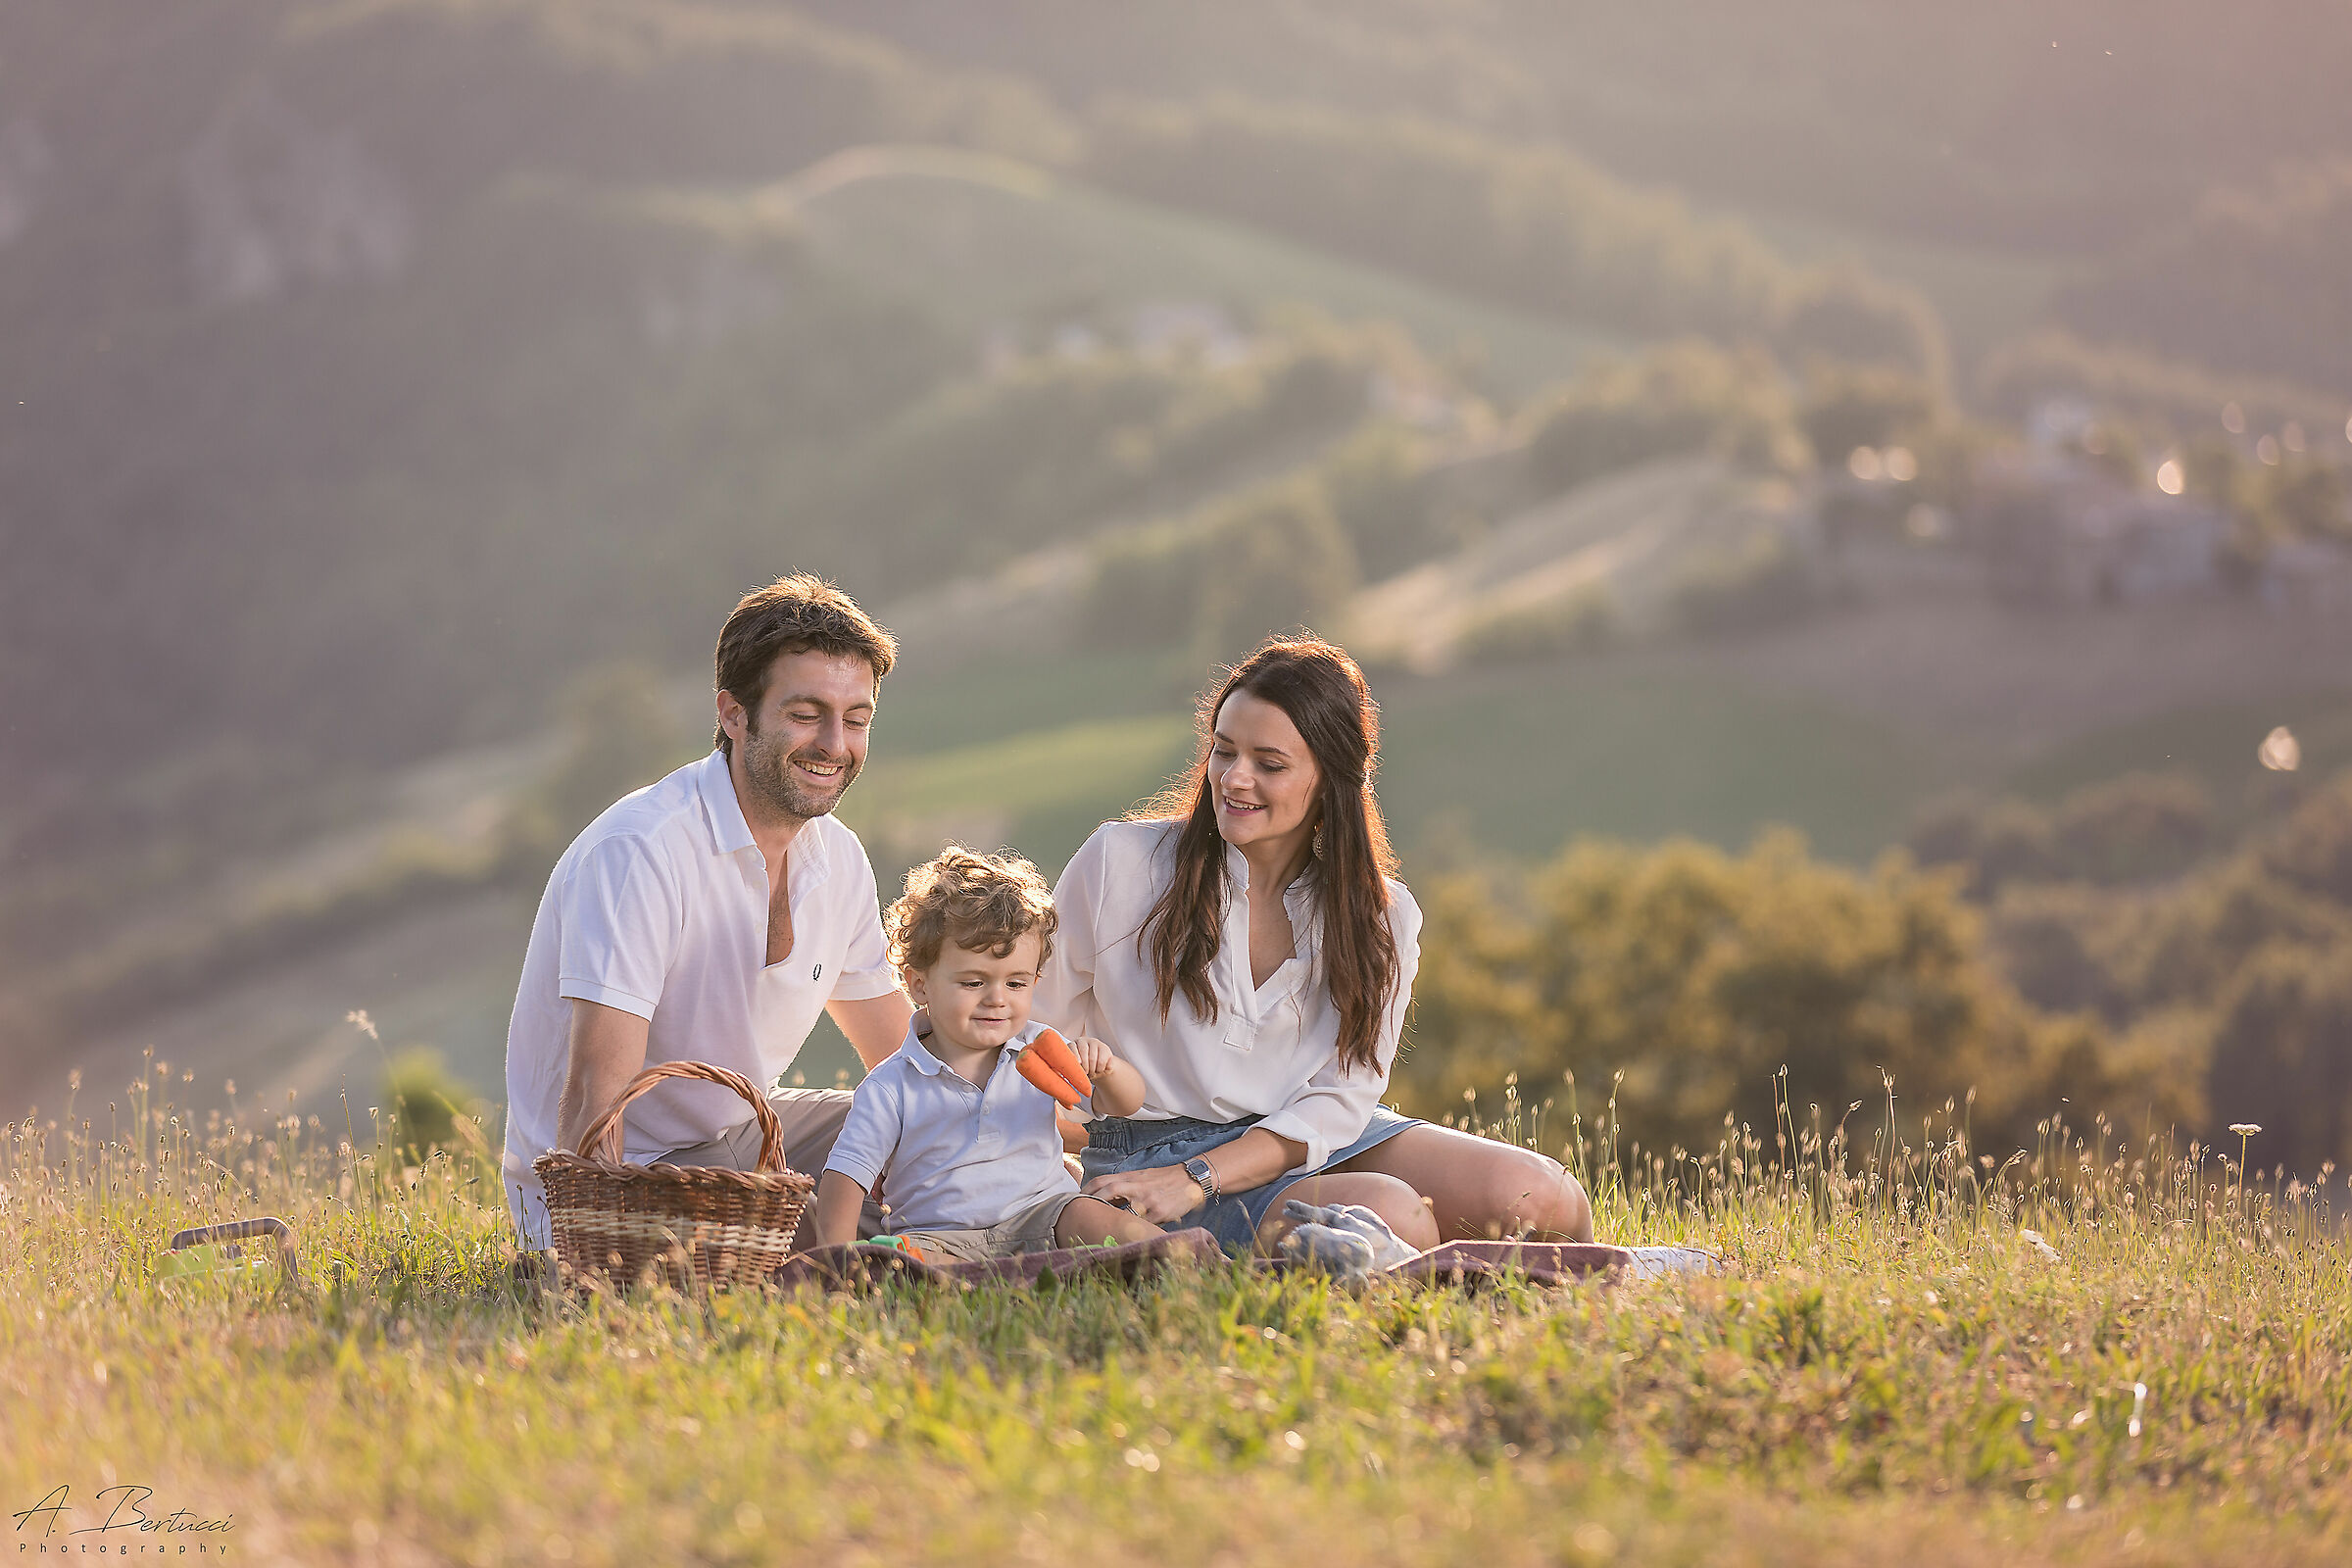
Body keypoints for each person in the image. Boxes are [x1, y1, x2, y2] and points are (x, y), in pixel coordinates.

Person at [1041, 636, 1593, 1253]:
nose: (1235, 778)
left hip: (1300, 1135)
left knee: (1541, 1197)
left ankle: (1575, 1293)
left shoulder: (1382, 915)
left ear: (1331, 777)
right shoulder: (1119, 863)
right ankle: (1404, 1282)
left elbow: (1343, 1092)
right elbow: (1024, 1031)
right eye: (1224, 752)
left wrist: (1203, 1177)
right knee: (1397, 1215)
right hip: (1149, 1150)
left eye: (1269, 764)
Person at [501, 573, 914, 1253]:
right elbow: (596, 1095)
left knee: (916, 1128)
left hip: (744, 1143)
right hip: (630, 1184)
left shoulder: (837, 858)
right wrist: (595, 1257)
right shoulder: (643, 849)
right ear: (733, 713)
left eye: (857, 719)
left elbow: (905, 1059)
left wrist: (1019, 1145)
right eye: (806, 714)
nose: (835, 745)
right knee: (825, 1248)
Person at [811, 847, 1161, 1260]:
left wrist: (1106, 1071)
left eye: (1016, 984)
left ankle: (1204, 1265)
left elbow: (1125, 1103)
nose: (997, 1000)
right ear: (920, 984)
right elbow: (846, 1177)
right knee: (902, 1263)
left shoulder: (1042, 1049)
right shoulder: (891, 1086)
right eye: (974, 983)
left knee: (1103, 1221)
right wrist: (836, 1263)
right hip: (941, 1237)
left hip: (1044, 1217)